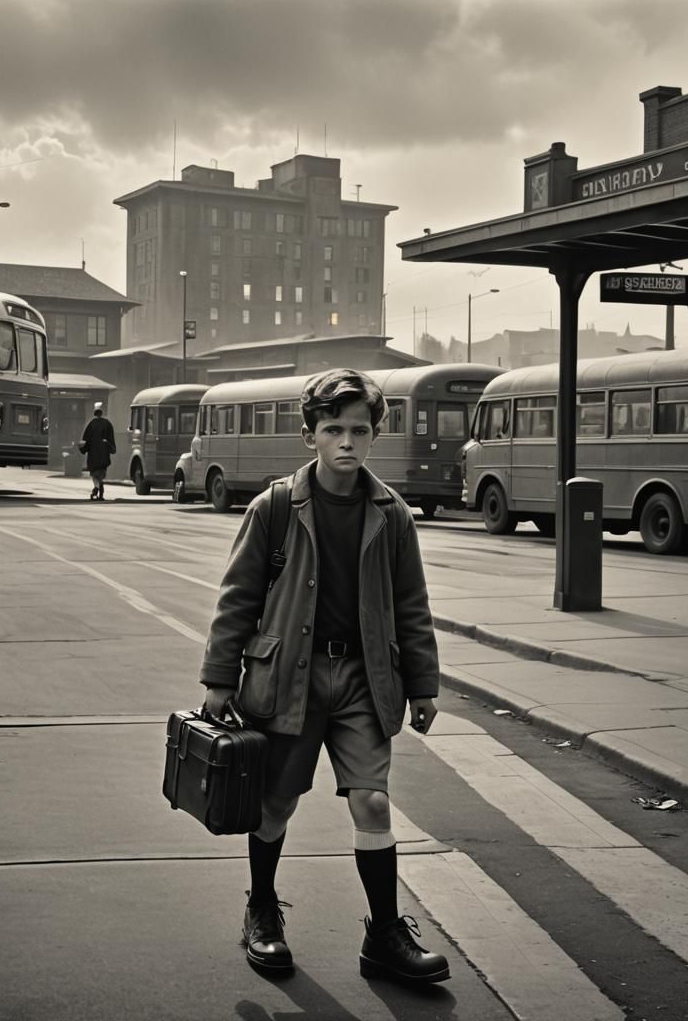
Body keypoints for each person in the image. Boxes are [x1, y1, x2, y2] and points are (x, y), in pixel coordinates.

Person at [199, 368, 449, 985]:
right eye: (333, 429)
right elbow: (238, 598)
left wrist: (424, 683)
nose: (346, 442)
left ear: (373, 437)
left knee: (372, 800)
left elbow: (411, 603)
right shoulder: (275, 507)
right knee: (277, 803)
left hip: (364, 678)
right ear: (310, 434)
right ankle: (262, 911)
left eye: (359, 431)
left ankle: (385, 936)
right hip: (289, 678)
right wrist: (218, 679)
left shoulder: (392, 514)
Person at [80, 402, 116, 501]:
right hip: (104, 454)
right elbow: (111, 439)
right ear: (102, 412)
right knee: (101, 474)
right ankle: (100, 491)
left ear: (94, 412)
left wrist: (83, 449)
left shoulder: (91, 424)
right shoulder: (107, 424)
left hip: (93, 454)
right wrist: (111, 448)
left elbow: (85, 440)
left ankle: (96, 487)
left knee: (94, 474)